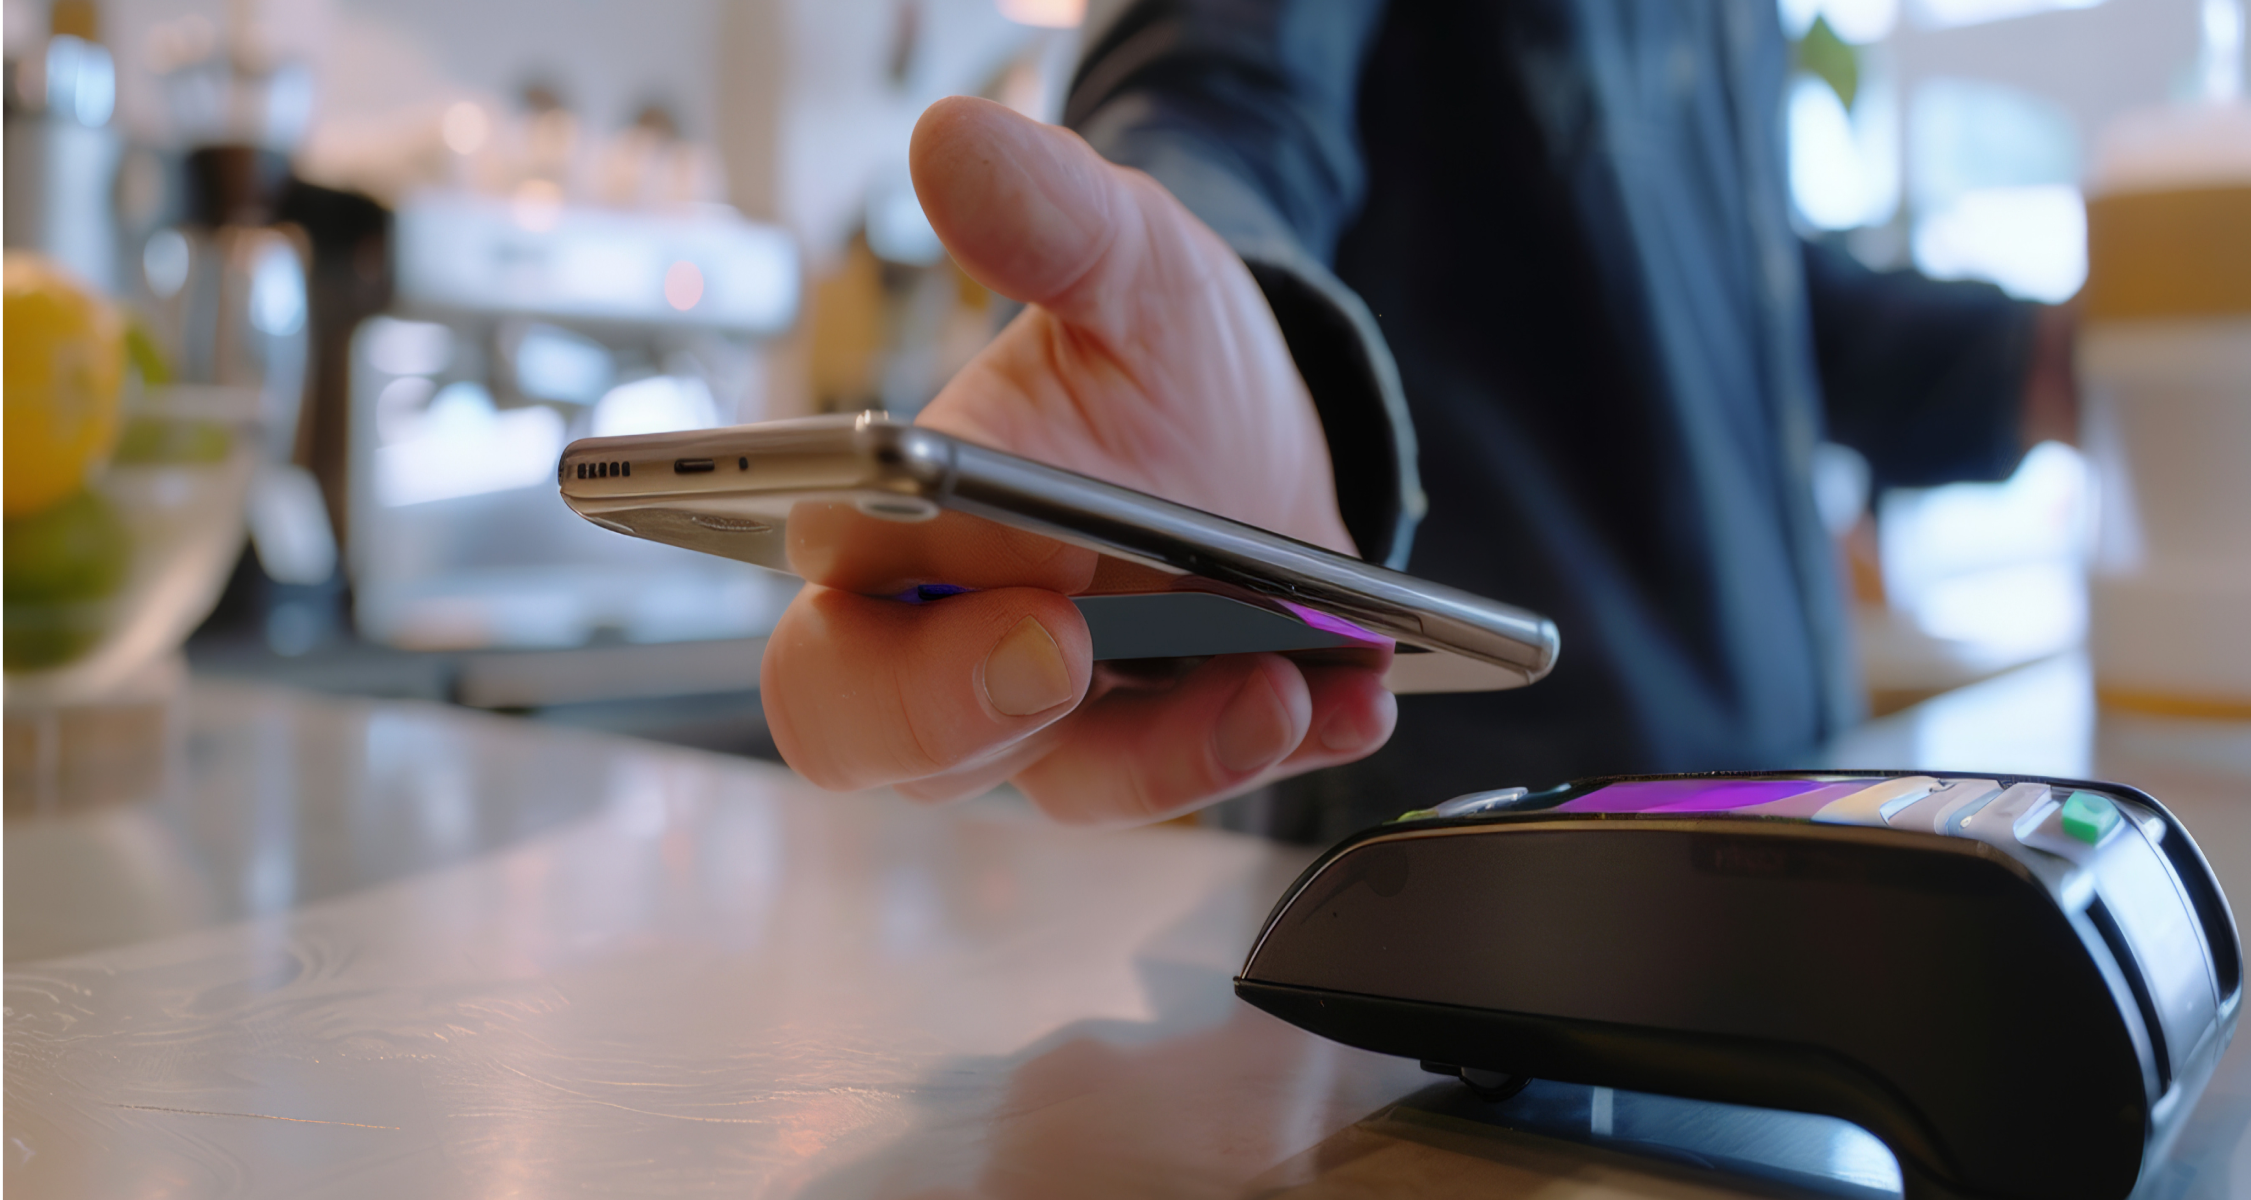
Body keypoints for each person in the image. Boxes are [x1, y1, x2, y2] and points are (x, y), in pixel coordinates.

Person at [759, 0, 2077, 837]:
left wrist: (2052, 359)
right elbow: (1209, 99)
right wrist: (1206, 308)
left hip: (1787, 808)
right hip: (1473, 862)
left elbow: (1734, 290)